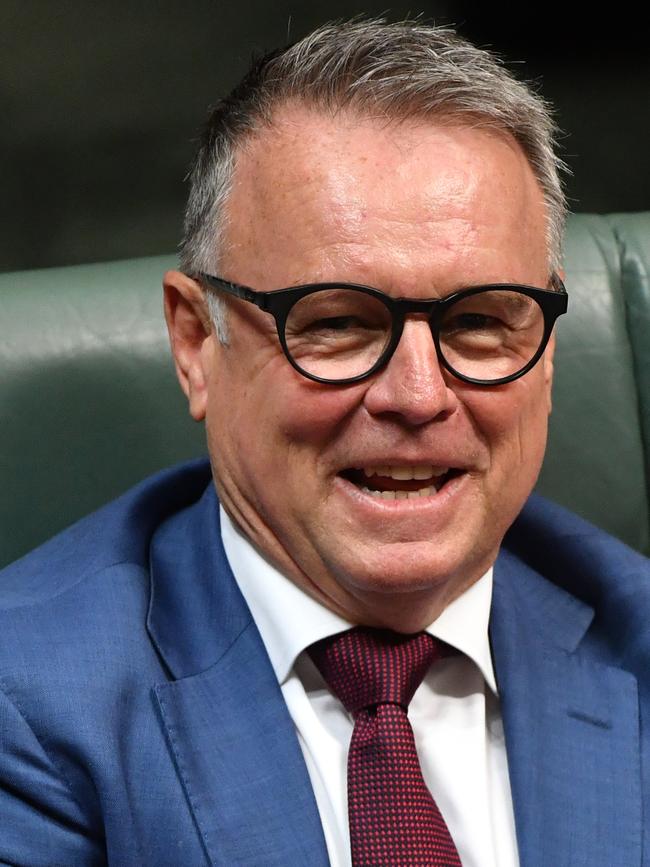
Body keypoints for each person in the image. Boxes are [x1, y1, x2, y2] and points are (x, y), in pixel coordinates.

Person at [1, 19, 648, 867]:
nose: (419, 395)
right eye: (338, 322)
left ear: (548, 350)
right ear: (197, 343)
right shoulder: (30, 706)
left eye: (483, 320)